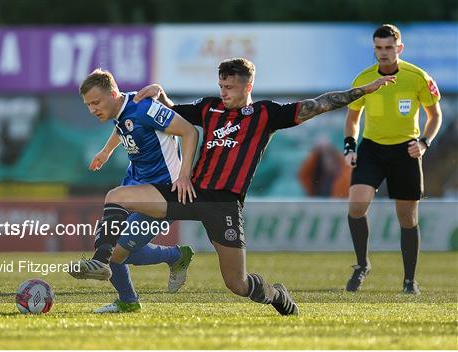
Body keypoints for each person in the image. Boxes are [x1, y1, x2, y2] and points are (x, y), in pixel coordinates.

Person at [76, 58, 395, 315]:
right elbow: (172, 117)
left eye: (229, 86)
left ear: (247, 86)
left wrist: (364, 90)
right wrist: (161, 94)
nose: (223, 91)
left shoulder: (266, 114)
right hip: (189, 193)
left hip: (224, 205)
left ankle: (276, 295)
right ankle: (101, 261)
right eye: (220, 85)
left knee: (237, 284)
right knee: (117, 196)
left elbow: (320, 103)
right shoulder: (209, 107)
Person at [69, 68, 198, 313]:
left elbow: (189, 131)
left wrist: (184, 176)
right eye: (88, 105)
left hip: (163, 194)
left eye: (96, 102)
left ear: (114, 94)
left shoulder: (144, 108)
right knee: (108, 243)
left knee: (114, 252)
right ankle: (173, 257)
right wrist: (106, 151)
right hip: (136, 190)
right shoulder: (121, 110)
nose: (92, 109)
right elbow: (123, 127)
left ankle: (128, 297)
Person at [343, 24, 442, 295]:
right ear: (373, 48)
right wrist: (350, 147)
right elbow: (353, 119)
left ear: (399, 48)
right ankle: (362, 265)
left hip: (405, 151)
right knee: (356, 206)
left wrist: (423, 143)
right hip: (372, 149)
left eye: (388, 47)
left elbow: (435, 116)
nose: (383, 53)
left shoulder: (417, 77)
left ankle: (410, 281)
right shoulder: (364, 79)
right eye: (378, 47)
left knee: (407, 219)